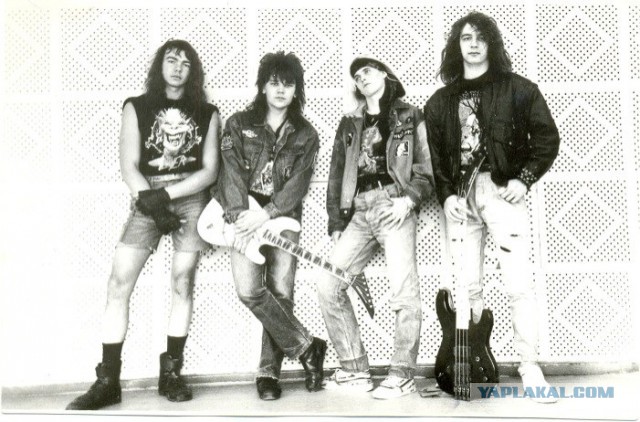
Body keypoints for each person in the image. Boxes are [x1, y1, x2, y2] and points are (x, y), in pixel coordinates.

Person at [66, 40, 220, 410]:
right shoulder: (136, 106)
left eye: (185, 63)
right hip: (147, 195)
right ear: (159, 66)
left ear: (193, 71)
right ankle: (108, 381)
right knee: (118, 283)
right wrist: (151, 200)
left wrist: (167, 196)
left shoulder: (208, 112)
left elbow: (209, 171)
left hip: (190, 196)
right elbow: (128, 165)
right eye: (171, 60)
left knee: (182, 281)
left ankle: (171, 374)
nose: (178, 68)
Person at [423, 11, 560, 403]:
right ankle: (475, 364)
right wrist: (447, 195)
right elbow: (434, 156)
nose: (473, 44)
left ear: (492, 44)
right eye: (466, 37)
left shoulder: (519, 89)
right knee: (466, 287)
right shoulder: (440, 101)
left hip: (501, 191)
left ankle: (529, 366)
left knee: (519, 283)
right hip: (460, 198)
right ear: (457, 45)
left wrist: (524, 179)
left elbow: (547, 138)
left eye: (481, 37)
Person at [317, 56, 434, 400]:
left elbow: (426, 164)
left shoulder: (409, 115)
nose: (362, 78)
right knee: (328, 283)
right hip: (358, 210)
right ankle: (355, 368)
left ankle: (402, 374)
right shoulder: (350, 123)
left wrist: (409, 200)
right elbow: (337, 173)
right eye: (357, 76)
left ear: (384, 73)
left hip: (393, 203)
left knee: (404, 292)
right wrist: (337, 221)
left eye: (367, 71)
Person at [217, 51, 325, 401]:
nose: (281, 90)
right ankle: (307, 347)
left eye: (288, 84)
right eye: (274, 82)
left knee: (281, 293)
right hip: (241, 215)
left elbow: (299, 183)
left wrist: (268, 213)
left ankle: (268, 374)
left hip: (283, 216)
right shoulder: (238, 124)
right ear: (262, 86)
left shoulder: (306, 134)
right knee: (249, 290)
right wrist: (239, 216)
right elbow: (230, 171)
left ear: (297, 90)